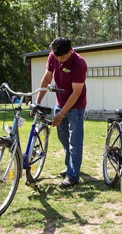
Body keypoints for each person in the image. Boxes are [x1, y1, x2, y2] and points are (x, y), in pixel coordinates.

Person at [36, 37, 87, 188]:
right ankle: (71, 165)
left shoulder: (79, 64)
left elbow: (76, 93)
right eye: (56, 57)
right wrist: (37, 102)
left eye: (62, 57)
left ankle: (72, 176)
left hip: (76, 105)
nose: (59, 60)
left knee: (75, 141)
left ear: (71, 51)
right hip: (60, 102)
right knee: (62, 136)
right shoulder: (54, 55)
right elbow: (46, 79)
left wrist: (61, 114)